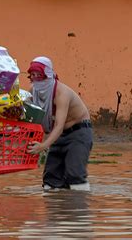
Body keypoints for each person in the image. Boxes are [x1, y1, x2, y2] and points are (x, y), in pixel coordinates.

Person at [26, 56, 93, 191]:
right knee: (50, 179)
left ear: (48, 75)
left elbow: (59, 125)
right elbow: (27, 115)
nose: (35, 78)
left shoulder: (61, 93)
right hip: (58, 135)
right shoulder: (33, 91)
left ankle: (80, 206)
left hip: (78, 132)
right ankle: (56, 210)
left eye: (39, 75)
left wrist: (43, 146)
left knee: (75, 175)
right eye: (32, 75)